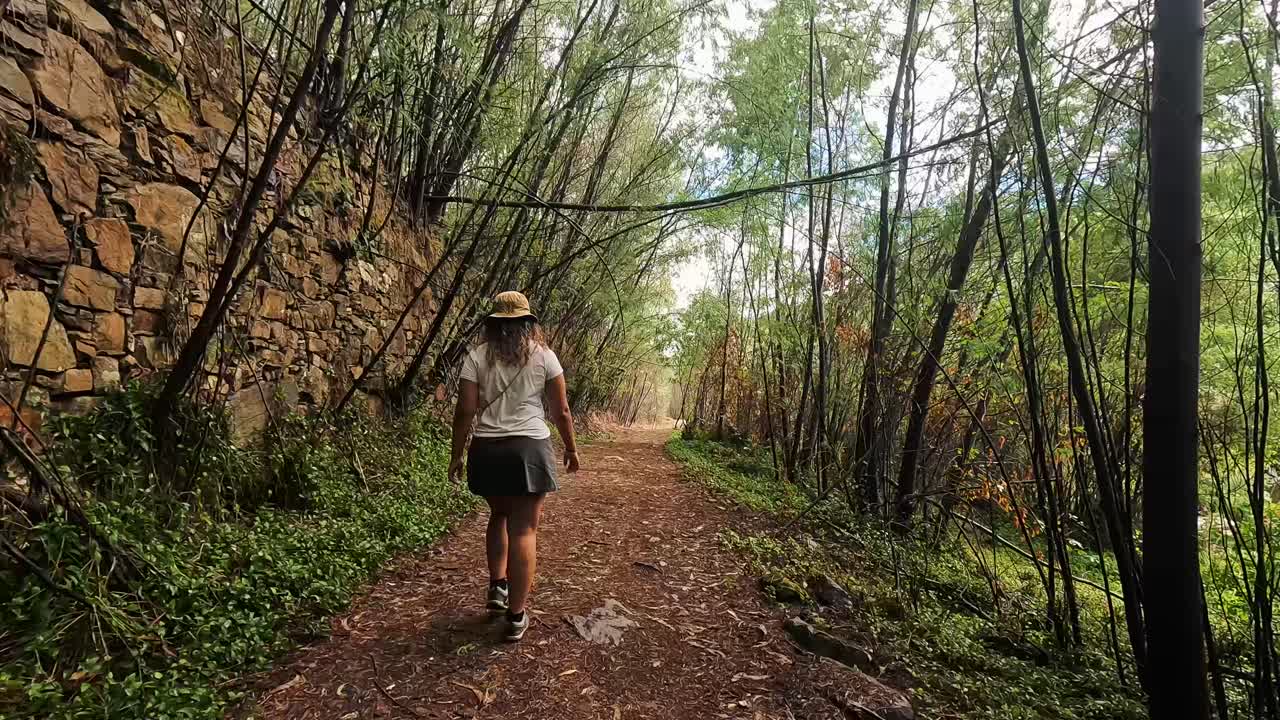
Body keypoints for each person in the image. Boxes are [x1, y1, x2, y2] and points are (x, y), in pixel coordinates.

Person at [448, 291, 580, 642]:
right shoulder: (545, 357)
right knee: (524, 530)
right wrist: (570, 447)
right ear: (527, 323)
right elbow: (561, 410)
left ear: (493, 324)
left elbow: (464, 411)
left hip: (487, 450)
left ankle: (496, 587)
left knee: (499, 516)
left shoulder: (476, 356)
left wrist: (456, 455)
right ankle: (516, 616)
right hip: (529, 450)